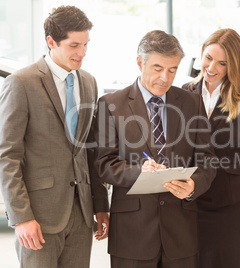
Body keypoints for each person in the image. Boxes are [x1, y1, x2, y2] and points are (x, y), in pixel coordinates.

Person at [91, 30, 217, 268]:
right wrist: (140, 172)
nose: (165, 78)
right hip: (132, 234)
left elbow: (208, 160)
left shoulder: (192, 103)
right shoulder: (111, 104)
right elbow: (104, 164)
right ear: (140, 62)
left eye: (172, 70)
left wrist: (193, 185)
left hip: (181, 233)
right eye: (157, 68)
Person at [0, 6, 110, 268]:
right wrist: (21, 217)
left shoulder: (89, 82)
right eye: (74, 45)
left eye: (85, 45)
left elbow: (88, 150)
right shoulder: (21, 83)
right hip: (38, 216)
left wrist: (100, 204)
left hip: (82, 214)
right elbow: (7, 155)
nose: (82, 53)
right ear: (51, 41)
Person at [182, 28, 240, 268]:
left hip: (233, 207)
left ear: (234, 64)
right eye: (208, 58)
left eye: (222, 63)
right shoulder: (185, 92)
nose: (211, 68)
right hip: (193, 203)